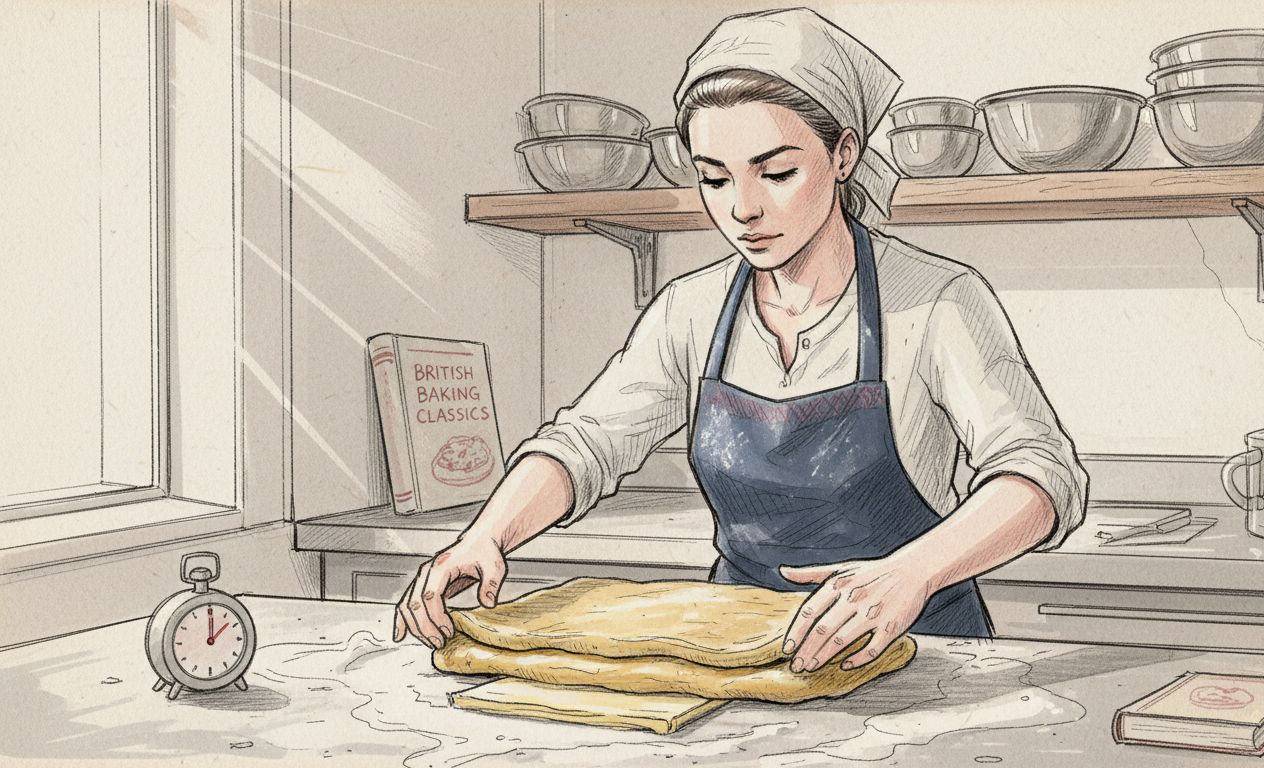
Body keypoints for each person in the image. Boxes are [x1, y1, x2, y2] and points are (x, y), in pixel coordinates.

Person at [394, 7, 1088, 674]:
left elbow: (1041, 474)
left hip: (918, 651)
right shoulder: (691, 312)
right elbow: (586, 442)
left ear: (843, 153)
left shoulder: (934, 300)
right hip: (741, 656)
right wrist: (487, 533)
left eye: (777, 172)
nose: (743, 209)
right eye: (714, 178)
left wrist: (911, 572)